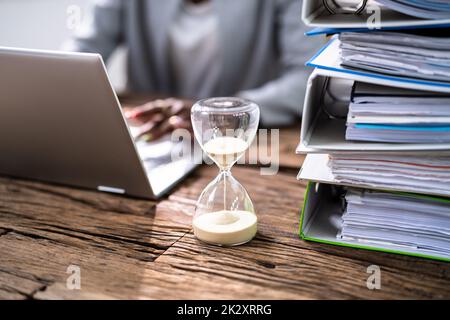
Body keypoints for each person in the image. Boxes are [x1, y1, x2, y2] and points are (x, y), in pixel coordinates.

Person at [65, 0, 322, 140]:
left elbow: (308, 77)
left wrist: (225, 111)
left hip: (245, 142)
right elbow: (79, 54)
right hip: (153, 135)